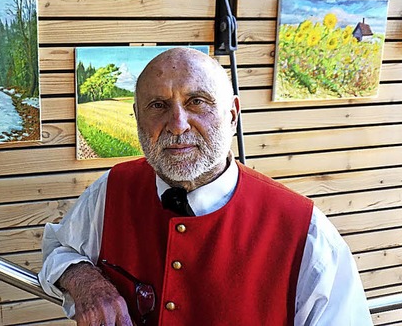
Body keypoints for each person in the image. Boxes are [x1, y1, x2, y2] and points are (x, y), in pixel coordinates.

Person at [39, 47, 372, 325]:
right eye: (158, 106)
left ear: (232, 115)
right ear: (138, 117)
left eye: (197, 101)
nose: (178, 124)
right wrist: (84, 280)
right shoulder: (111, 189)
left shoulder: (306, 233)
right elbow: (59, 249)